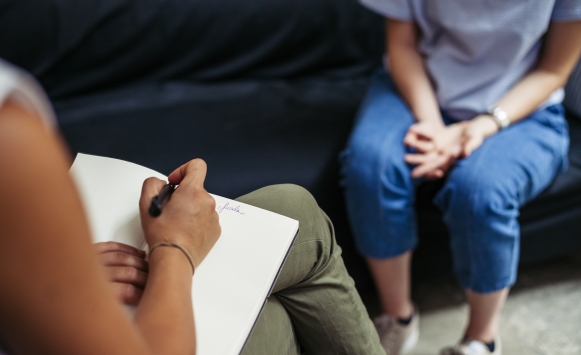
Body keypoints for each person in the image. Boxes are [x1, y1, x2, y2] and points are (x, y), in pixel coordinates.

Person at [0, 59, 385, 354]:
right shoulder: (10, 135)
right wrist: (175, 247)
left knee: (292, 210)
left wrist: (49, 283)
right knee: (276, 315)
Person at [340, 1, 581, 355]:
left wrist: (483, 125)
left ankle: (482, 339)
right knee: (369, 168)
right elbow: (402, 44)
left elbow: (554, 70)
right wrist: (433, 126)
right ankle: (398, 318)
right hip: (418, 87)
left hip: (521, 107)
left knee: (480, 192)